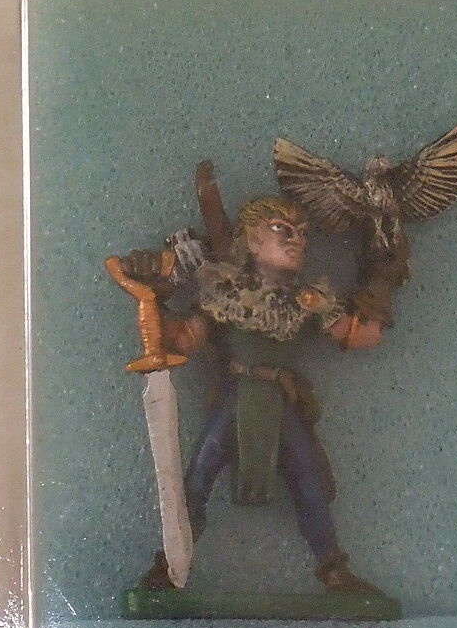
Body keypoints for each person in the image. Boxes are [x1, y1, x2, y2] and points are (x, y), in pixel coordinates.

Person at [119, 195, 406, 593]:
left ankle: (334, 571)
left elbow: (360, 334)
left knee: (309, 483)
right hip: (235, 400)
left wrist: (382, 277)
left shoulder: (309, 300)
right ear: (253, 241)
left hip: (281, 403)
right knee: (196, 482)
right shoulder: (225, 292)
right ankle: (169, 567)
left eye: (301, 233)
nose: (296, 240)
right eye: (281, 230)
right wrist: (156, 293)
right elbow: (182, 339)